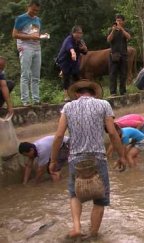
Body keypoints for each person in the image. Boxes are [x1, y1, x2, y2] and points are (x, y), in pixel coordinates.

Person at [49, 80, 127, 240]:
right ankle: (93, 235)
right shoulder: (104, 105)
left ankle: (77, 228)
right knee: (100, 198)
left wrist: (53, 160)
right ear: (93, 93)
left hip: (75, 158)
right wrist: (121, 156)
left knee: (74, 194)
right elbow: (112, 133)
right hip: (98, 157)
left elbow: (58, 136)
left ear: (77, 94)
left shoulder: (68, 107)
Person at [12, 0, 44, 106]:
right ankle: (25, 100)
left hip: (37, 47)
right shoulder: (21, 18)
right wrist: (30, 37)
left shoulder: (38, 19)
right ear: (28, 7)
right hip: (25, 47)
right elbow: (15, 34)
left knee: (36, 75)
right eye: (33, 9)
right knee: (25, 74)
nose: (35, 12)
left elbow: (34, 33)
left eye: (37, 10)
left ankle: (36, 99)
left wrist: (41, 36)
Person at [56, 25, 88, 101]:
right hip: (65, 61)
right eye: (78, 33)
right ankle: (66, 96)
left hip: (74, 61)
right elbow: (70, 47)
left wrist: (85, 48)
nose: (79, 35)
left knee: (77, 77)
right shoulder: (69, 39)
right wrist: (73, 53)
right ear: (73, 33)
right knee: (66, 78)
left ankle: (79, 95)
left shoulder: (80, 41)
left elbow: (85, 52)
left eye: (81, 33)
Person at [107, 14, 131, 96]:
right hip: (114, 54)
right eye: (117, 20)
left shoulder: (126, 29)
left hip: (123, 54)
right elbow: (108, 40)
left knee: (123, 74)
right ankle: (113, 92)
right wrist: (113, 30)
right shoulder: (111, 29)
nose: (118, 22)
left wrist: (122, 29)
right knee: (113, 74)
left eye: (120, 20)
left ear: (123, 21)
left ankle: (123, 91)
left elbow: (129, 37)